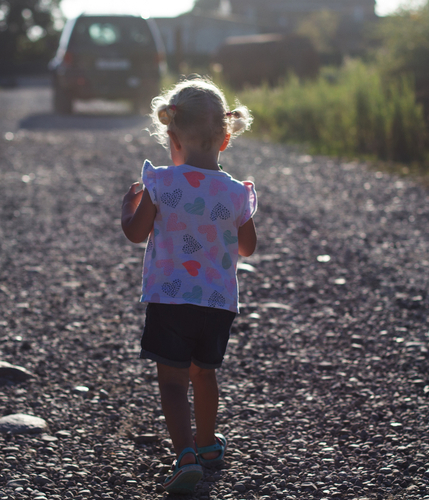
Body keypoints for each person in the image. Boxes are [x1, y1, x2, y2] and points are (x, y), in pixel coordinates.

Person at [121, 76, 257, 494]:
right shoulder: (235, 193)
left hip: (170, 299)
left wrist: (131, 206)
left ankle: (185, 457)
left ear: (171, 136)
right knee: (205, 375)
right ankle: (207, 445)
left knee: (172, 382)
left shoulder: (160, 183)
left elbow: (136, 233)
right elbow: (248, 248)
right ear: (225, 138)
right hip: (217, 304)